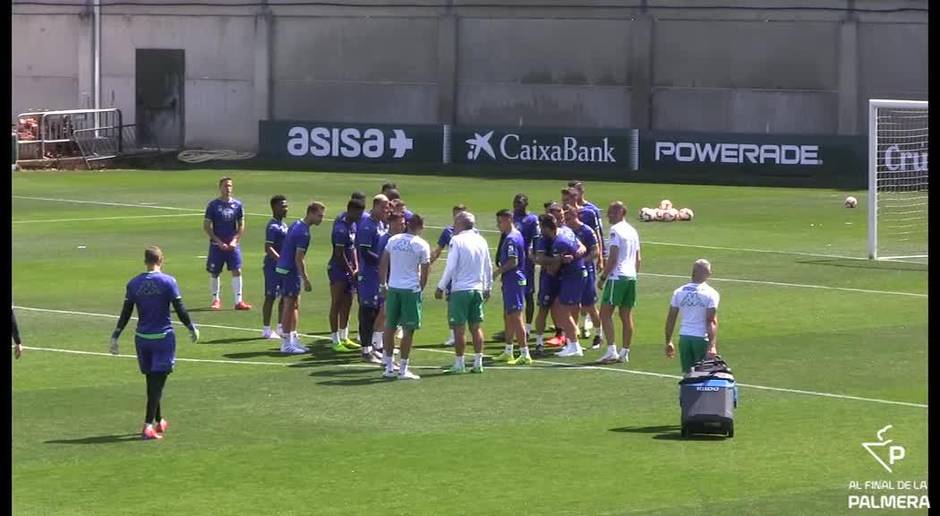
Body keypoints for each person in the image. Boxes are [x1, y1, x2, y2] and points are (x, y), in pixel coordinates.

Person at [109, 246, 199, 440]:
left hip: (142, 339)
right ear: (162, 260)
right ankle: (148, 425)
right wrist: (191, 327)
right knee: (157, 383)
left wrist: (116, 335)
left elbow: (126, 312)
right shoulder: (168, 282)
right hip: (162, 338)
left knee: (152, 380)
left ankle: (159, 421)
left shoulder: (133, 283)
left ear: (145, 261)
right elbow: (180, 308)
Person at [436, 212, 493, 374]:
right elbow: (488, 265)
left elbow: (451, 266)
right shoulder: (481, 240)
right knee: (476, 327)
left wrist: (441, 286)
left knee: (459, 329)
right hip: (478, 289)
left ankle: (460, 364)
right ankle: (478, 362)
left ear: (461, 224)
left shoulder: (457, 240)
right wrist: (488, 287)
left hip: (460, 290)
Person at [378, 214, 431, 380]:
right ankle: (403, 369)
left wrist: (383, 284)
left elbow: (383, 262)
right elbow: (425, 270)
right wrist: (420, 288)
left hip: (393, 288)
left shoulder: (394, 240)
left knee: (389, 326)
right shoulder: (422, 245)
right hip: (410, 291)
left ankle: (388, 367)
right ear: (421, 227)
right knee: (409, 330)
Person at [276, 201, 327, 354]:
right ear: (310, 213)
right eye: (319, 216)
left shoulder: (296, 224)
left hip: (284, 268)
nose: (321, 219)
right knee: (289, 305)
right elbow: (299, 258)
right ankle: (286, 344)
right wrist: (305, 279)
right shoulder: (303, 232)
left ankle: (292, 339)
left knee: (293, 305)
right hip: (290, 271)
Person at [596, 201, 641, 364]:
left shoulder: (616, 230)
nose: (608, 215)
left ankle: (611, 350)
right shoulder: (633, 231)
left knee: (605, 313)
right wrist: (634, 275)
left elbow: (613, 257)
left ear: (621, 212)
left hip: (617, 276)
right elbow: (638, 258)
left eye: (612, 212)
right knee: (626, 315)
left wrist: (602, 277)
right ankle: (625, 351)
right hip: (631, 276)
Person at [540, 213, 588, 357]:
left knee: (563, 312)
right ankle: (571, 343)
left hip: (572, 277)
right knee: (562, 309)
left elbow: (554, 269)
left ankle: (574, 345)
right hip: (576, 274)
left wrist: (545, 264)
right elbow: (581, 246)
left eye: (542, 228)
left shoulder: (558, 243)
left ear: (547, 228)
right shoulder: (566, 230)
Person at [204, 177, 251, 311]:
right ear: (220, 188)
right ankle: (215, 299)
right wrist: (217, 241)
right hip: (216, 245)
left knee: (237, 270)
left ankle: (238, 301)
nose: (228, 188)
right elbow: (207, 226)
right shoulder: (213, 205)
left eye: (230, 186)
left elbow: (241, 225)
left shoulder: (237, 205)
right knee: (215, 272)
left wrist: (235, 240)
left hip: (232, 244)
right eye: (225, 186)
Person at [665, 259, 720, 372]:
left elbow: (671, 318)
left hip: (684, 338)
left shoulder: (679, 291)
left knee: (687, 375)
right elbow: (711, 321)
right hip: (701, 339)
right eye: (709, 271)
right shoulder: (711, 293)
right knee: (703, 375)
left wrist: (669, 341)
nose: (710, 274)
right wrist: (712, 345)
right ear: (705, 273)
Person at [492, 209, 531, 365]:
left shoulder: (511, 239)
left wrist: (497, 272)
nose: (498, 225)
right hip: (512, 280)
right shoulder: (516, 235)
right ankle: (509, 350)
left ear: (509, 220)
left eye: (500, 222)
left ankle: (524, 353)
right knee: (509, 315)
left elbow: (513, 261)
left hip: (514, 280)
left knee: (515, 316)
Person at [327, 198, 366, 353]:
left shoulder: (353, 225)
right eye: (358, 212)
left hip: (350, 268)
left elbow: (353, 249)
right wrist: (351, 271)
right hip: (338, 269)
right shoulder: (341, 227)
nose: (359, 216)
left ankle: (345, 336)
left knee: (348, 303)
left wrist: (356, 266)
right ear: (350, 210)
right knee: (336, 303)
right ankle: (335, 339)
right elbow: (339, 253)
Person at [563, 203, 603, 350]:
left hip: (586, 271)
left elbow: (595, 251)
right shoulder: (566, 231)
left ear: (575, 216)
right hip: (572, 273)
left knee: (589, 305)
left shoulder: (587, 231)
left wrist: (581, 261)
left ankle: (599, 334)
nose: (565, 221)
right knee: (573, 305)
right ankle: (572, 339)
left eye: (568, 218)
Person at [356, 194, 391, 362]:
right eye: (384, 207)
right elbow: (364, 251)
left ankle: (372, 347)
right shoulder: (367, 226)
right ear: (375, 206)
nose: (387, 210)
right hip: (368, 276)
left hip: (377, 276)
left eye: (388, 207)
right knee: (367, 312)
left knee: (376, 311)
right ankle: (365, 351)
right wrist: (382, 261)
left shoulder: (381, 225)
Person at [430, 204, 468, 346]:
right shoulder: (448, 232)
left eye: (461, 215)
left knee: (467, 305)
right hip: (453, 275)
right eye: (456, 215)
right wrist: (427, 264)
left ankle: (464, 333)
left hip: (467, 274)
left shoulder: (473, 233)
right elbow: (438, 250)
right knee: (451, 304)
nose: (458, 218)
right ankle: (453, 335)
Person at [512, 194, 540, 336]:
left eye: (520, 203)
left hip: (526, 263)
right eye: (516, 203)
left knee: (528, 294)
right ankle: (515, 325)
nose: (517, 206)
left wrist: (533, 254)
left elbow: (536, 239)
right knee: (513, 294)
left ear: (526, 205)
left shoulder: (532, 219)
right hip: (513, 261)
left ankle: (527, 327)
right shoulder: (511, 217)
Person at [261, 195, 289, 340]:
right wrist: (281, 260)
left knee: (284, 296)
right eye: (283, 206)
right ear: (275, 208)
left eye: (286, 206)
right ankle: (266, 329)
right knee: (270, 296)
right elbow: (268, 247)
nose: (286, 208)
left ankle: (280, 327)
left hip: (283, 267)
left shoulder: (283, 225)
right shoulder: (272, 226)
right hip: (273, 267)